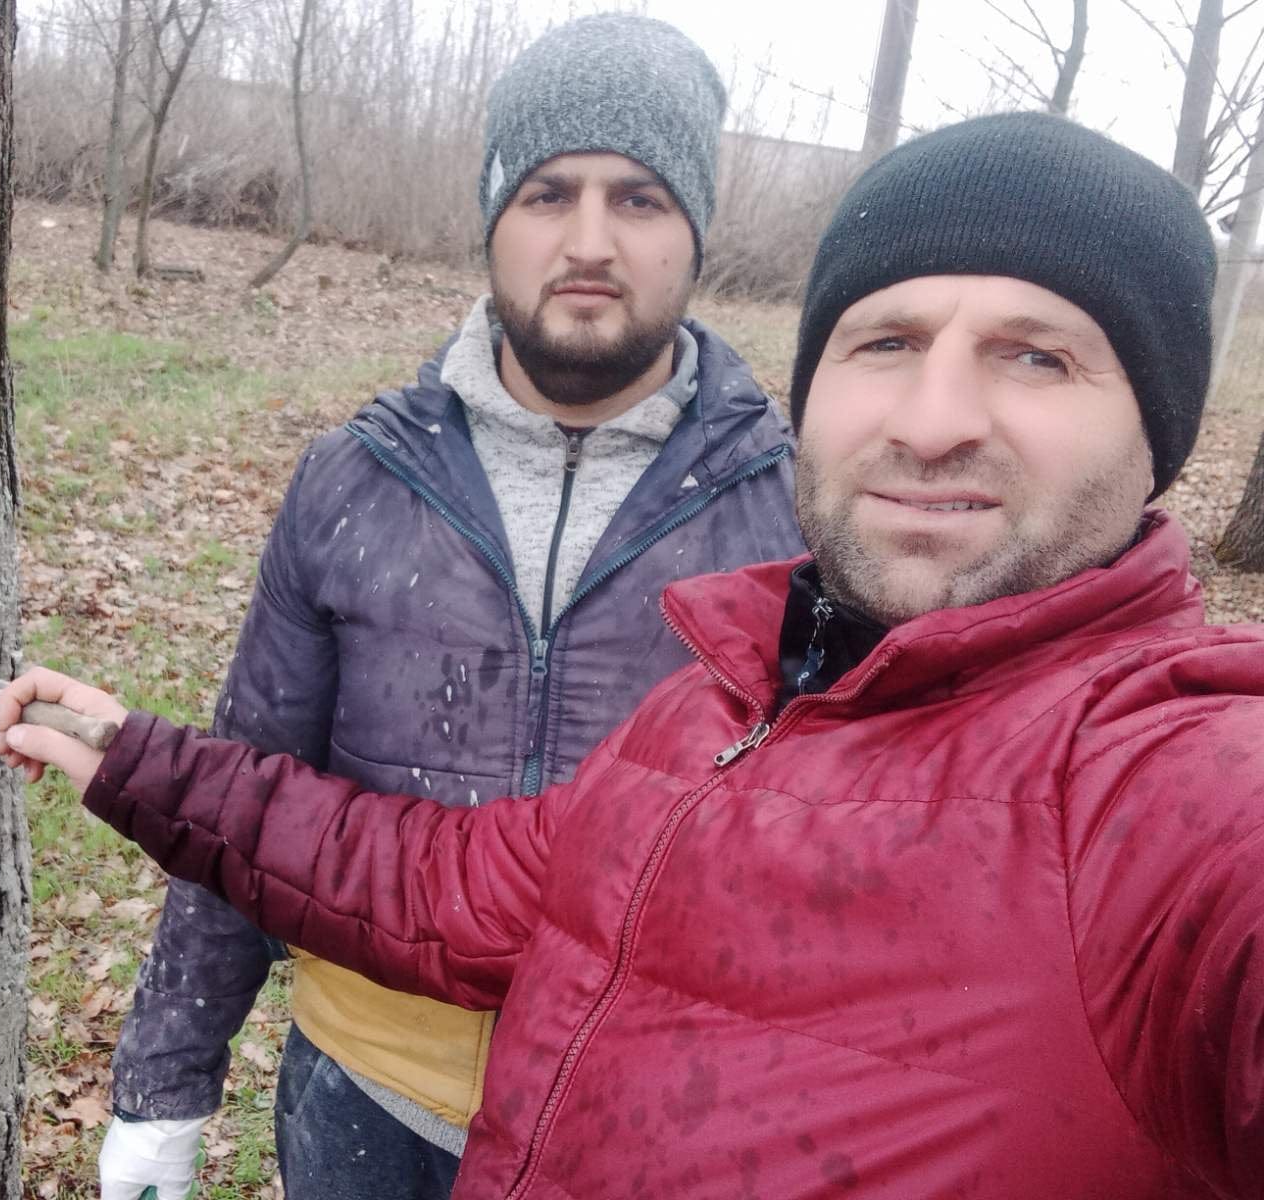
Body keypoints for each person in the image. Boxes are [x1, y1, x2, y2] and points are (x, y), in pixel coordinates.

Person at [0, 113, 1264, 1198]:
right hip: (360, 1098)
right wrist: (145, 770)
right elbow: (429, 877)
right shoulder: (718, 714)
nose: (932, 423)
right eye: (884, 342)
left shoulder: (1172, 800)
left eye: (1037, 357)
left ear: (1154, 430)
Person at [82, 14, 803, 1199]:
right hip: (365, 1104)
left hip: (655, 1125)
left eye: (638, 198)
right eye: (546, 192)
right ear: (489, 216)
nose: (587, 240)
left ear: (695, 231)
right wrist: (166, 1085)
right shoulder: (354, 479)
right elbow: (246, 788)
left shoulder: (793, 512)